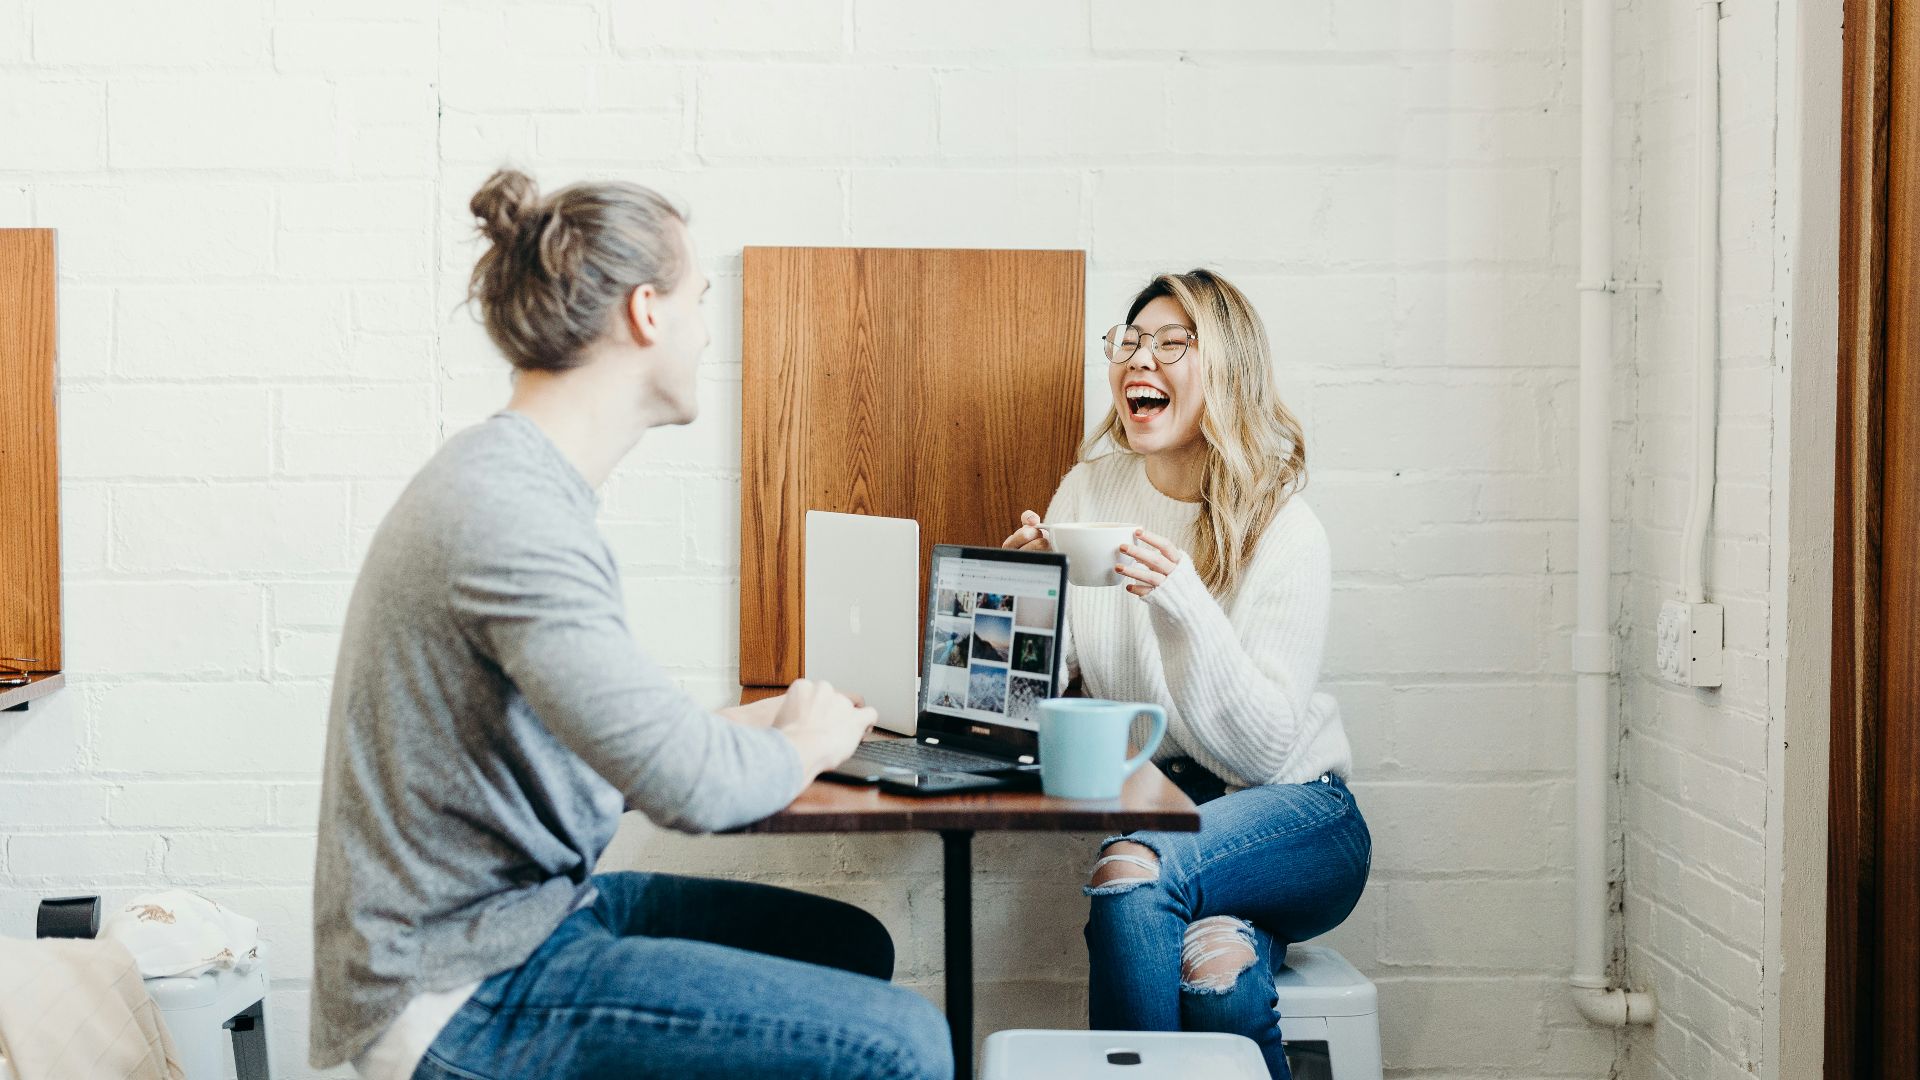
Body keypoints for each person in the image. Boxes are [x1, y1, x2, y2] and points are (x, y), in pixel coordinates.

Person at [311, 168, 952, 1080]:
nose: (706, 328)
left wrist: (766, 722)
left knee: (841, 941)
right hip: (458, 988)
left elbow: (613, 746)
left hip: (528, 923)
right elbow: (690, 789)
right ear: (647, 313)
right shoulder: (508, 517)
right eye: (699, 299)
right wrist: (804, 743)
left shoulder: (518, 485)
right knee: (904, 1044)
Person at [1003, 269, 1369, 1079]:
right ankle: (1236, 938)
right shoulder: (1089, 488)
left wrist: (1181, 600)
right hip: (1174, 810)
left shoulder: (1282, 522)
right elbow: (1064, 688)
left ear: (1227, 369)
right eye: (1129, 342)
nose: (1142, 358)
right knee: (1218, 973)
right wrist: (1036, 604)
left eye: (1174, 344)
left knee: (1129, 871)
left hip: (1298, 817)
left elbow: (1266, 754)